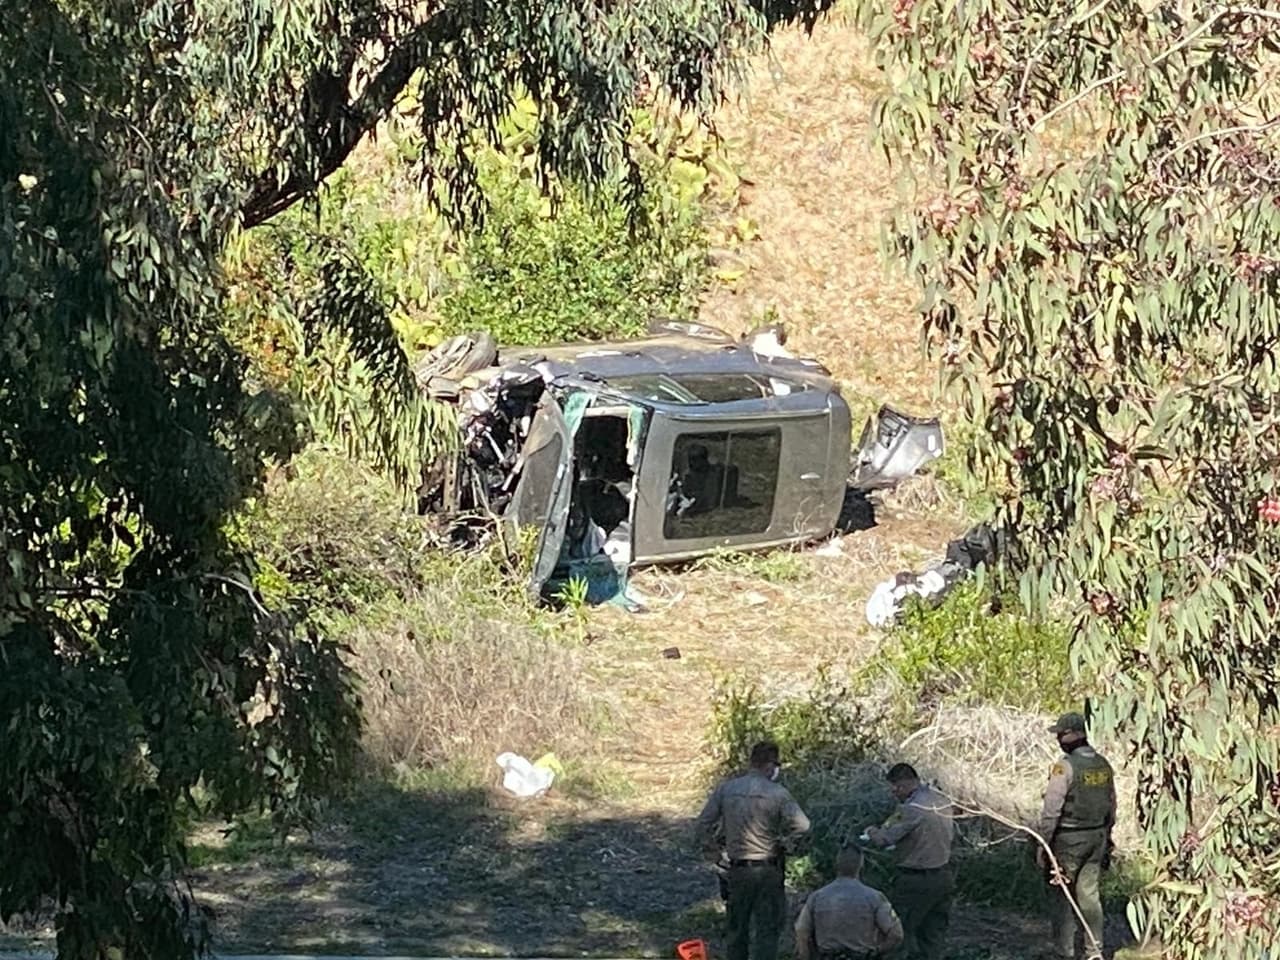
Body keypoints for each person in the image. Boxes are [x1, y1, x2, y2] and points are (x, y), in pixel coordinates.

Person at [695, 742, 812, 960]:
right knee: (767, 930)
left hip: (737, 869)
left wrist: (713, 851)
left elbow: (703, 823)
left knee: (737, 929)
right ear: (770, 765)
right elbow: (803, 825)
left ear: (751, 762)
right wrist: (786, 843)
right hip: (769, 869)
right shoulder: (778, 793)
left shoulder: (727, 789)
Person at [1036, 712, 1116, 960]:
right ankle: (1094, 952)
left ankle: (1064, 952)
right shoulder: (1103, 764)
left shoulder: (1065, 767)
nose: (1059, 738)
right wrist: (1108, 835)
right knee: (1090, 896)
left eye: (1061, 733)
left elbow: (1051, 810)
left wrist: (1043, 844)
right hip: (1097, 837)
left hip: (1068, 840)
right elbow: (1112, 804)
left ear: (1074, 734)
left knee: (1062, 896)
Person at [863, 763, 955, 960]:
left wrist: (871, 831)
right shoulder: (942, 800)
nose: (894, 793)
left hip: (916, 881)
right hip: (944, 877)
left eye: (894, 788)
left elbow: (884, 839)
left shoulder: (912, 808)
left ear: (901, 785)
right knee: (933, 937)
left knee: (897, 933)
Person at [794, 845, 904, 960]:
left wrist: (804, 955)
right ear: (861, 865)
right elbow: (896, 935)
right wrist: (876, 952)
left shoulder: (816, 897)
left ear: (836, 864)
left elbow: (801, 931)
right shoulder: (875, 897)